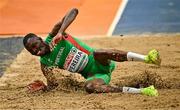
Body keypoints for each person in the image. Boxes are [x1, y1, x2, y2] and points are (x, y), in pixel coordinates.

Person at [23, 8, 161, 96]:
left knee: (98, 52)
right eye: (31, 51)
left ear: (40, 40)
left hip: (101, 60)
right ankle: (142, 91)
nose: (35, 50)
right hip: (96, 74)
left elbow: (74, 11)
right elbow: (53, 84)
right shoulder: (45, 64)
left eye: (35, 45)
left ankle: (147, 58)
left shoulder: (54, 36)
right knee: (89, 87)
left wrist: (60, 32)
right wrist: (45, 88)